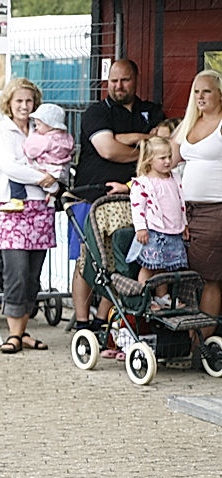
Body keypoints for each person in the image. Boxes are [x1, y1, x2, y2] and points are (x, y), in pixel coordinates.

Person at [70, 59, 164, 331]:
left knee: (120, 261)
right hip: (91, 198)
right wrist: (144, 150)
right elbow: (108, 149)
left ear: (136, 80)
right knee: (86, 260)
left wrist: (127, 138)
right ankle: (82, 323)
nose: (118, 86)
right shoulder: (96, 112)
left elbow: (164, 142)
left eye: (124, 80)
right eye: (113, 81)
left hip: (135, 199)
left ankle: (103, 319)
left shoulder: (151, 111)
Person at [0, 79, 56, 354]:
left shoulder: (42, 131)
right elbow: (11, 167)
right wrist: (44, 178)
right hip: (10, 207)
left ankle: (22, 331)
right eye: (19, 101)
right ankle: (13, 334)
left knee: (33, 275)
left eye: (29, 101)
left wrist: (51, 181)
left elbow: (56, 161)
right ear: (9, 103)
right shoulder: (1, 130)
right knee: (17, 271)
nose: (24, 106)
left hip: (39, 208)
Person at [173, 69, 222, 331]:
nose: (200, 96)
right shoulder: (190, 121)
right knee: (187, 275)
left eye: (207, 91)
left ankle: (202, 345)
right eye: (196, 91)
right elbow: (165, 156)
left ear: (220, 94)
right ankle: (187, 335)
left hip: (215, 210)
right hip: (183, 212)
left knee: (210, 276)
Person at [128, 137, 187, 306]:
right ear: (149, 159)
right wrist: (140, 228)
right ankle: (144, 297)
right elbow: (137, 207)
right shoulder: (143, 183)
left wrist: (184, 224)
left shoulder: (174, 179)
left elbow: (181, 203)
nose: (168, 161)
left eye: (169, 156)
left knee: (164, 267)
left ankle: (162, 296)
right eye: (162, 158)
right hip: (153, 232)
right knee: (149, 267)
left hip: (173, 231)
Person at [1, 101, 74, 212]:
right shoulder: (66, 138)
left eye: (39, 125)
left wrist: (28, 142)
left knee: (16, 173)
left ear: (50, 125)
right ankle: (54, 191)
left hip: (44, 167)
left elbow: (30, 151)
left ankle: (17, 198)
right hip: (58, 169)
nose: (36, 128)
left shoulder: (45, 139)